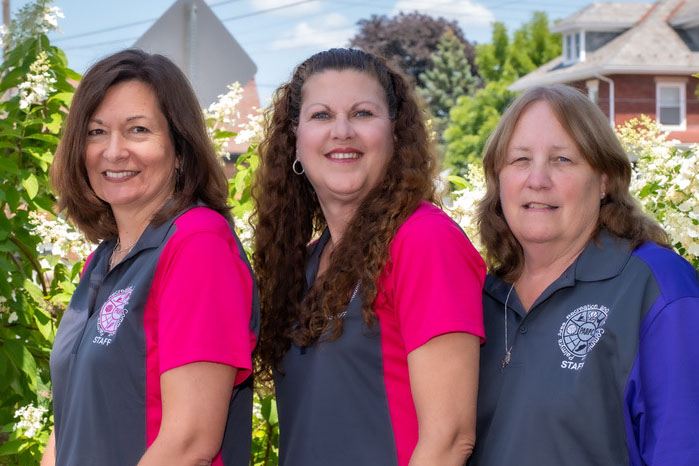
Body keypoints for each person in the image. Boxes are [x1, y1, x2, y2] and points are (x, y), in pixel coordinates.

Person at [252, 47, 485, 466]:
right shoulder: (304, 266)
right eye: (321, 115)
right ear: (295, 141)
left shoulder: (425, 242)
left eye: (362, 113)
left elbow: (450, 439)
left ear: (395, 133)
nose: (342, 131)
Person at [43, 49, 259, 466]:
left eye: (138, 130)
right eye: (96, 131)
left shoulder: (198, 244)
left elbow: (190, 442)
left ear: (180, 149)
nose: (114, 151)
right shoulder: (101, 262)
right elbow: (72, 418)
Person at [470, 84, 699, 465]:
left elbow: (684, 450)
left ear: (605, 180)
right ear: (498, 178)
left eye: (563, 160)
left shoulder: (657, 287)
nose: (537, 179)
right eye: (520, 159)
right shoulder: (484, 297)